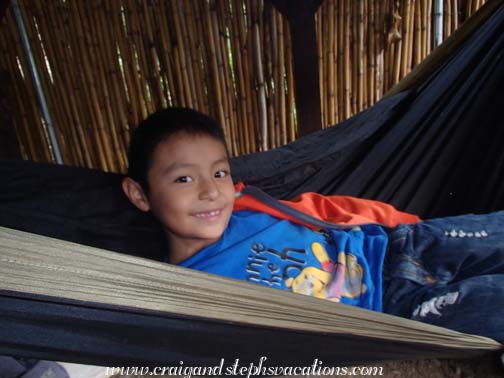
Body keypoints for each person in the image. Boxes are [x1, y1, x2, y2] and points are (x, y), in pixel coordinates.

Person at [122, 107, 504, 343]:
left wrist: (405, 225)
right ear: (139, 194)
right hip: (394, 308)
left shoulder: (252, 208)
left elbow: (327, 211)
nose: (210, 191)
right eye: (184, 179)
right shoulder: (190, 294)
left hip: (400, 245)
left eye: (219, 172)